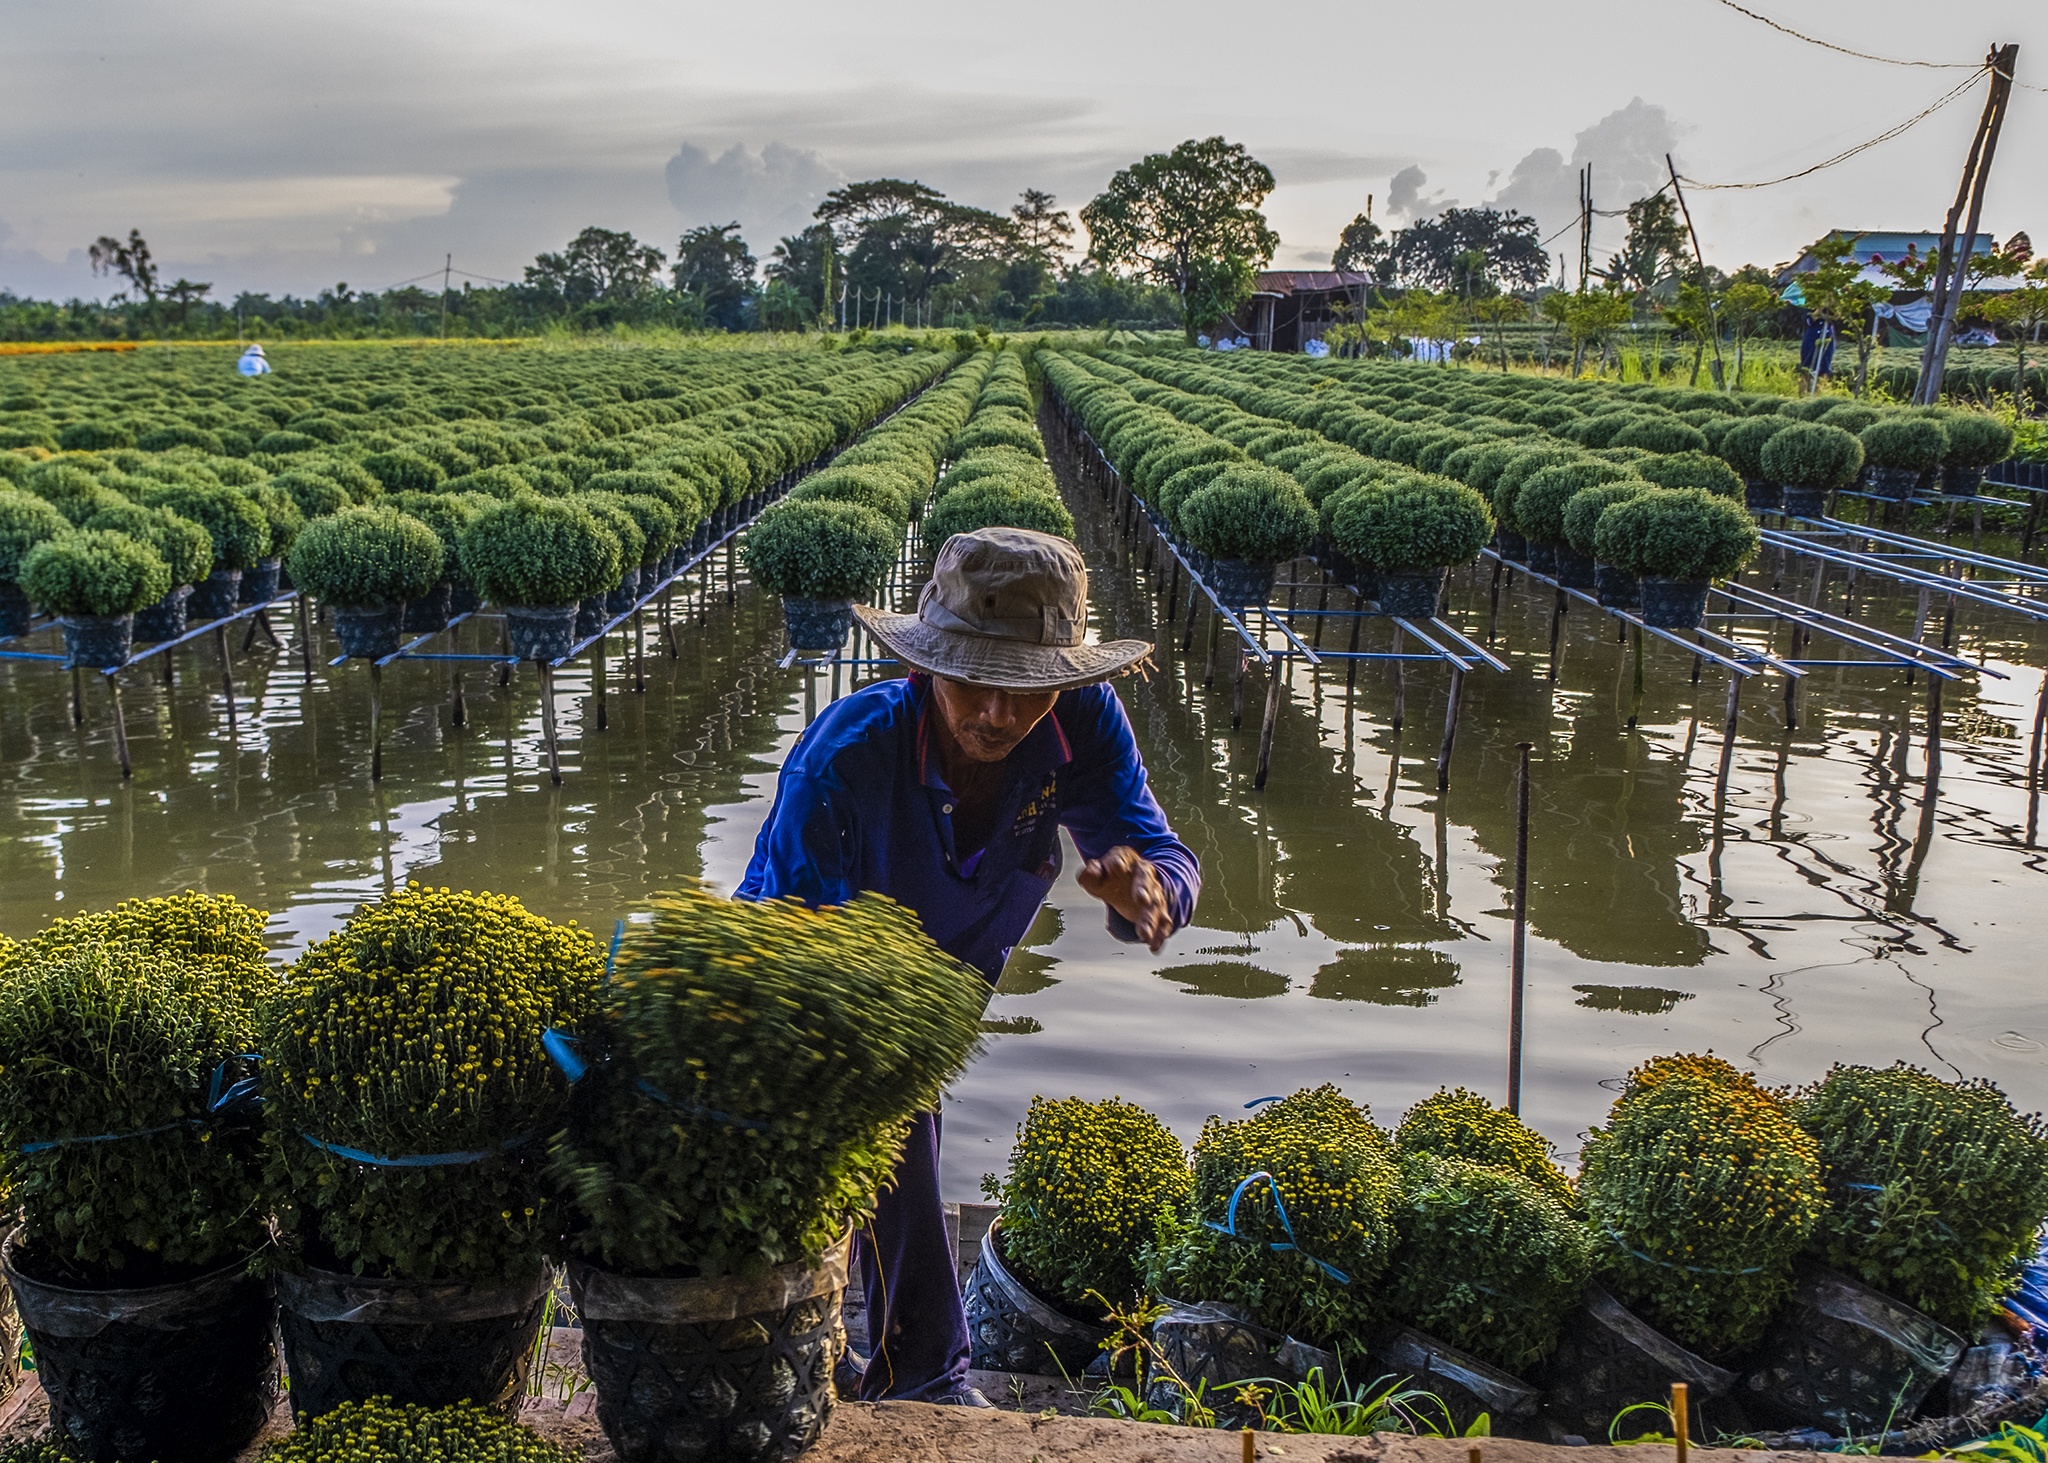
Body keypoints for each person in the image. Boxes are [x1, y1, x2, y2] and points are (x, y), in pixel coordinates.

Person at [737, 525, 1200, 1406]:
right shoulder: (847, 757)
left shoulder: (1083, 725)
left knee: (901, 1127)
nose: (995, 713)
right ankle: (906, 1371)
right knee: (843, 1148)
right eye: (972, 683)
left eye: (1024, 690)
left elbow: (1159, 851)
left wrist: (1150, 893)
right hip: (800, 979)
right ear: (927, 665)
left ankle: (903, 1371)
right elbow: (793, 961)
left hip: (941, 992)